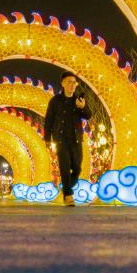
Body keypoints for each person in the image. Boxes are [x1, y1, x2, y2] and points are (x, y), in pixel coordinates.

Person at [44, 72, 90, 206]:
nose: (72, 85)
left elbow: (88, 115)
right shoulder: (55, 101)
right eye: (69, 82)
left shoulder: (78, 100)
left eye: (74, 83)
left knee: (77, 168)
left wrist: (83, 107)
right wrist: (47, 139)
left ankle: (66, 187)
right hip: (60, 139)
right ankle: (68, 196)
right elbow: (49, 120)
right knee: (64, 167)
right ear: (63, 83)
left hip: (76, 139)